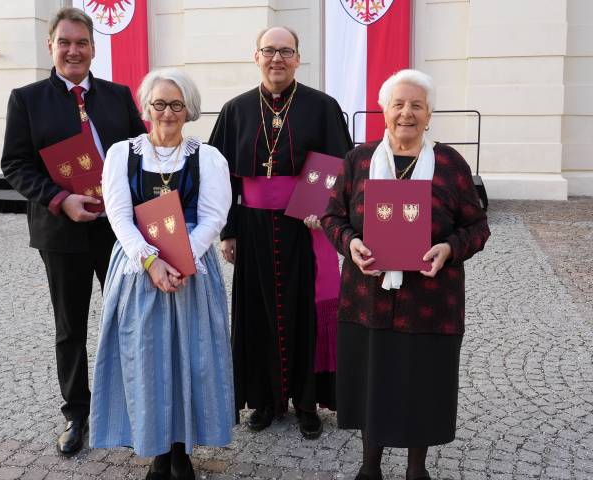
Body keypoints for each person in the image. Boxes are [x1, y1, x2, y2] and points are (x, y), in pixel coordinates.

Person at [322, 69, 490, 480]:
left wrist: (450, 248)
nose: (406, 113)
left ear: (429, 114)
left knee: (422, 384)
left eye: (417, 105)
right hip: (367, 297)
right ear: (384, 110)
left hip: (431, 302)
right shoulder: (358, 160)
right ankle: (369, 466)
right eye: (398, 104)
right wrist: (350, 244)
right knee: (370, 381)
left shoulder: (450, 163)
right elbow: (332, 215)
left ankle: (418, 469)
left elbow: (478, 226)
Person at [0, 7, 145, 456]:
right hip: (62, 231)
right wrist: (61, 199)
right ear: (51, 47)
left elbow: (140, 153)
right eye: (65, 42)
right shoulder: (26, 99)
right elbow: (15, 164)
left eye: (81, 43)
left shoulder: (119, 96)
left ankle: (135, 405)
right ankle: (76, 412)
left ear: (93, 49)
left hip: (118, 231)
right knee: (70, 326)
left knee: (130, 319)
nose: (73, 50)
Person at [88, 68, 234, 480]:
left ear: (189, 109)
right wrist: (151, 260)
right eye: (159, 104)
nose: (167, 112)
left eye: (176, 104)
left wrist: (183, 259)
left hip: (192, 269)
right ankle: (155, 450)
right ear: (146, 107)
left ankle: (181, 448)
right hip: (140, 269)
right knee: (146, 357)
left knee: (191, 356)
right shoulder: (121, 153)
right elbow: (118, 214)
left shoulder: (208, 157)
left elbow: (212, 217)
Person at [209, 26, 353, 439]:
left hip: (303, 227)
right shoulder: (235, 109)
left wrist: (324, 211)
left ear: (298, 58)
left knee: (305, 312)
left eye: (285, 51)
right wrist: (228, 231)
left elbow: (340, 166)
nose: (277, 59)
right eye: (269, 51)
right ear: (255, 56)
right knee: (258, 313)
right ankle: (266, 399)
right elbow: (222, 180)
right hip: (252, 229)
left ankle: (307, 401)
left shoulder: (322, 106)